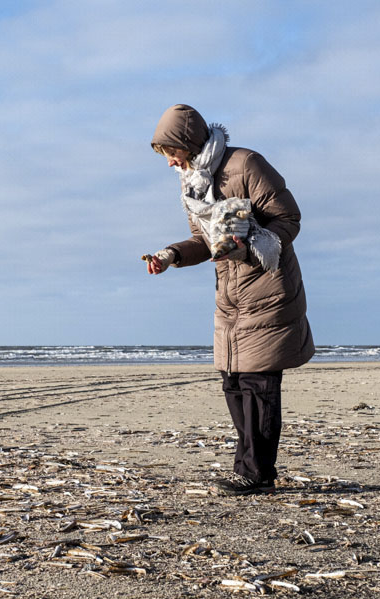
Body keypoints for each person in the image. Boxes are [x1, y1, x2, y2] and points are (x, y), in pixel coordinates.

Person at [146, 104, 314, 496]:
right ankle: (247, 470)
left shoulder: (247, 164)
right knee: (233, 383)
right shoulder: (192, 180)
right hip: (230, 293)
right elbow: (205, 241)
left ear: (188, 142)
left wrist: (250, 241)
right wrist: (171, 255)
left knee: (259, 385)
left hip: (268, 288)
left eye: (172, 152)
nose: (170, 163)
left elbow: (288, 217)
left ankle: (257, 474)